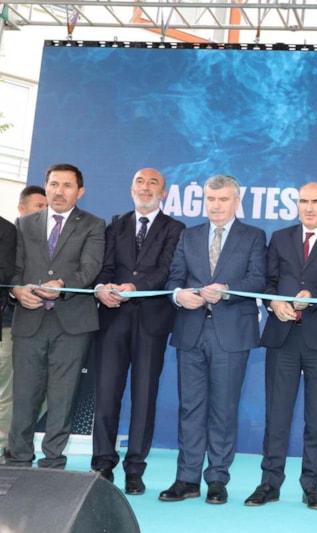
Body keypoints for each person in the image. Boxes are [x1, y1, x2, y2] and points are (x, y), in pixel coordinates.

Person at [159, 174, 267, 505]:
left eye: (223, 199)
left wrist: (227, 291)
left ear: (236, 201)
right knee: (190, 408)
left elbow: (258, 280)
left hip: (231, 334)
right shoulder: (189, 235)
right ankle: (187, 478)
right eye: (211, 199)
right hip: (191, 331)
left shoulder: (254, 236)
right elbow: (174, 279)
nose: (216, 205)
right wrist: (179, 296)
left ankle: (217, 478)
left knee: (223, 408)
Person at [245, 182, 317, 509]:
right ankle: (269, 483)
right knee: (277, 416)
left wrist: (313, 298)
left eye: (316, 201)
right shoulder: (280, 237)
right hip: (282, 336)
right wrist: (273, 303)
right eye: (303, 201)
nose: (309, 207)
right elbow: (268, 282)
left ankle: (311, 486)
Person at [91, 168, 185, 494]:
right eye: (139, 182)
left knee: (144, 398)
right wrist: (101, 288)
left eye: (152, 183)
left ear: (164, 192)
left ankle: (135, 469)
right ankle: (102, 464)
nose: (145, 188)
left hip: (151, 322)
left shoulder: (175, 228)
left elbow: (167, 270)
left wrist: (135, 286)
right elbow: (104, 267)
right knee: (106, 396)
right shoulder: (115, 225)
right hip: (112, 319)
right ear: (132, 188)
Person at [5, 163, 105, 469]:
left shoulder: (93, 225)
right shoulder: (24, 224)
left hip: (72, 323)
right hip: (29, 319)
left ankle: (53, 462)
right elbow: (14, 269)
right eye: (54, 184)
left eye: (67, 185)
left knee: (62, 397)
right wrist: (16, 291)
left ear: (80, 192)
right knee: (24, 394)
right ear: (46, 187)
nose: (59, 191)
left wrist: (62, 286)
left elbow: (90, 269)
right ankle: (18, 458)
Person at [0, 185, 47, 463]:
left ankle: (14, 439)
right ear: (22, 209)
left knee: (39, 391)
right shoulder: (11, 235)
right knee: (8, 392)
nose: (45, 211)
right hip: (9, 325)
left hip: (43, 329)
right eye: (39, 206)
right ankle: (6, 445)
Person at [0, 215, 15, 463]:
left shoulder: (6, 230)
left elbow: (6, 273)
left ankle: (2, 444)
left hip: (6, 323)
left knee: (5, 392)